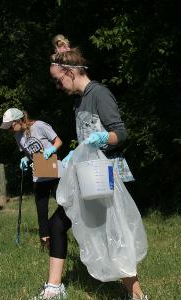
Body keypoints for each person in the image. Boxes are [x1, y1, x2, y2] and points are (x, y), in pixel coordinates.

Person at [31, 40, 148, 300]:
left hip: (105, 177)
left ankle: (137, 294)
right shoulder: (79, 101)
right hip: (87, 175)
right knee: (58, 224)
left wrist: (102, 139)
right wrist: (72, 153)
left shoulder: (99, 94)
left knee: (113, 234)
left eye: (58, 81)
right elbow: (86, 138)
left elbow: (121, 133)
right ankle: (54, 288)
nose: (58, 87)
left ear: (70, 72)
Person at [0, 108, 62, 249]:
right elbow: (28, 154)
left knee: (64, 204)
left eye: (10, 126)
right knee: (41, 211)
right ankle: (46, 243)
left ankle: (64, 230)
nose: (9, 130)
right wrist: (25, 159)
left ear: (17, 121)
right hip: (39, 175)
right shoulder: (17, 136)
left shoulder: (40, 126)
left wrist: (51, 149)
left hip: (54, 172)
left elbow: (58, 141)